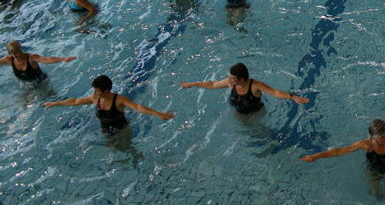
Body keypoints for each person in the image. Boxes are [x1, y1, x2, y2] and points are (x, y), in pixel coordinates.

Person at [44, 75, 174, 133]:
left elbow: (138, 107)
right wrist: (55, 103)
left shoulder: (119, 100)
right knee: (111, 147)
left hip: (122, 128)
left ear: (106, 90)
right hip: (105, 128)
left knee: (127, 147)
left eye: (97, 91)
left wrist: (158, 114)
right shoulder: (96, 98)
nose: (95, 93)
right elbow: (75, 101)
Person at [180, 62, 309, 114]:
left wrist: (292, 97)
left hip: (255, 114)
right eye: (230, 77)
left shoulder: (255, 85)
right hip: (238, 112)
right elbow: (212, 84)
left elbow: (274, 92)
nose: (229, 80)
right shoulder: (231, 82)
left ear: (242, 79)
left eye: (233, 78)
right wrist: (192, 84)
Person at [0, 40, 76, 82]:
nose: (16, 55)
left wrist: (63, 59)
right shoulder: (9, 59)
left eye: (17, 52)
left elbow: (46, 59)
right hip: (26, 85)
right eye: (13, 53)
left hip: (41, 82)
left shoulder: (31, 58)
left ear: (20, 49)